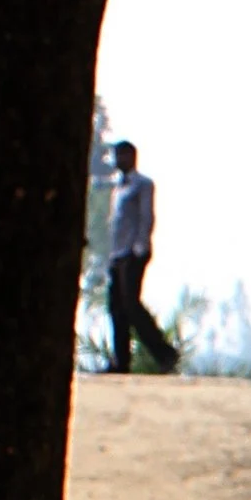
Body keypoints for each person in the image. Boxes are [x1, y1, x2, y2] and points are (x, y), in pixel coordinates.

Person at [102, 140, 178, 376]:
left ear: (133, 157)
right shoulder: (119, 188)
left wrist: (140, 248)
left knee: (131, 305)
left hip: (132, 253)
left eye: (123, 156)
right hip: (117, 253)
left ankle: (164, 353)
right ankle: (121, 361)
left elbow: (146, 217)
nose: (119, 160)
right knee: (116, 308)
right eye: (117, 156)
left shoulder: (142, 184)